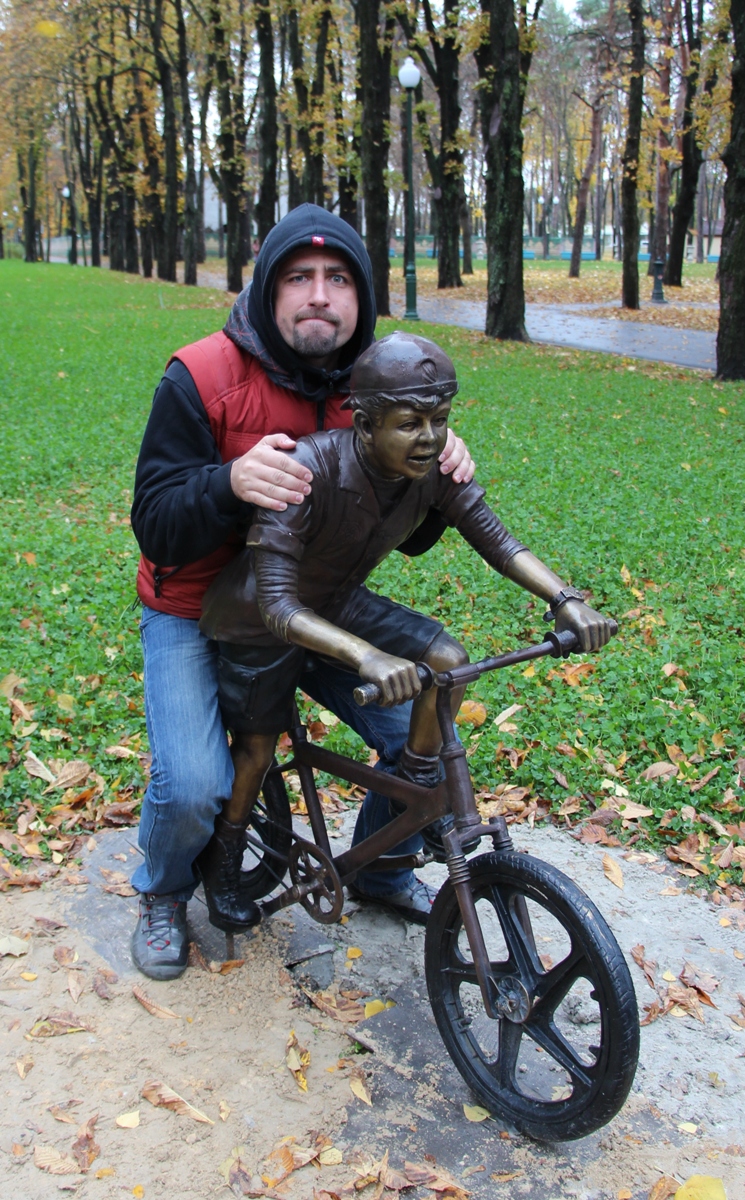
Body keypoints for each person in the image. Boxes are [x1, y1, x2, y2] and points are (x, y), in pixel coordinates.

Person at [129, 205, 474, 981]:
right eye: (298, 277)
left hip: (316, 604)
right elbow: (155, 524)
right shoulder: (201, 376)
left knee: (420, 734)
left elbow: (409, 538)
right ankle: (164, 891)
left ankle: (382, 867)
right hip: (196, 610)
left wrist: (432, 478)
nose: (319, 294)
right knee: (194, 786)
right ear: (267, 289)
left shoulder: (378, 385)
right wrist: (228, 482)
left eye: (338, 278)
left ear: (361, 297)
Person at [199, 331, 615, 905]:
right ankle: (224, 859)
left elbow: (496, 541)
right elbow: (277, 606)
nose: (429, 438)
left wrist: (564, 598)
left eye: (439, 420)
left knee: (447, 659)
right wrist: (367, 656)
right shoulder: (307, 470)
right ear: (365, 425)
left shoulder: (432, 468)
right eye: (410, 424)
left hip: (336, 600)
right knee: (256, 751)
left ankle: (415, 786)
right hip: (256, 619)